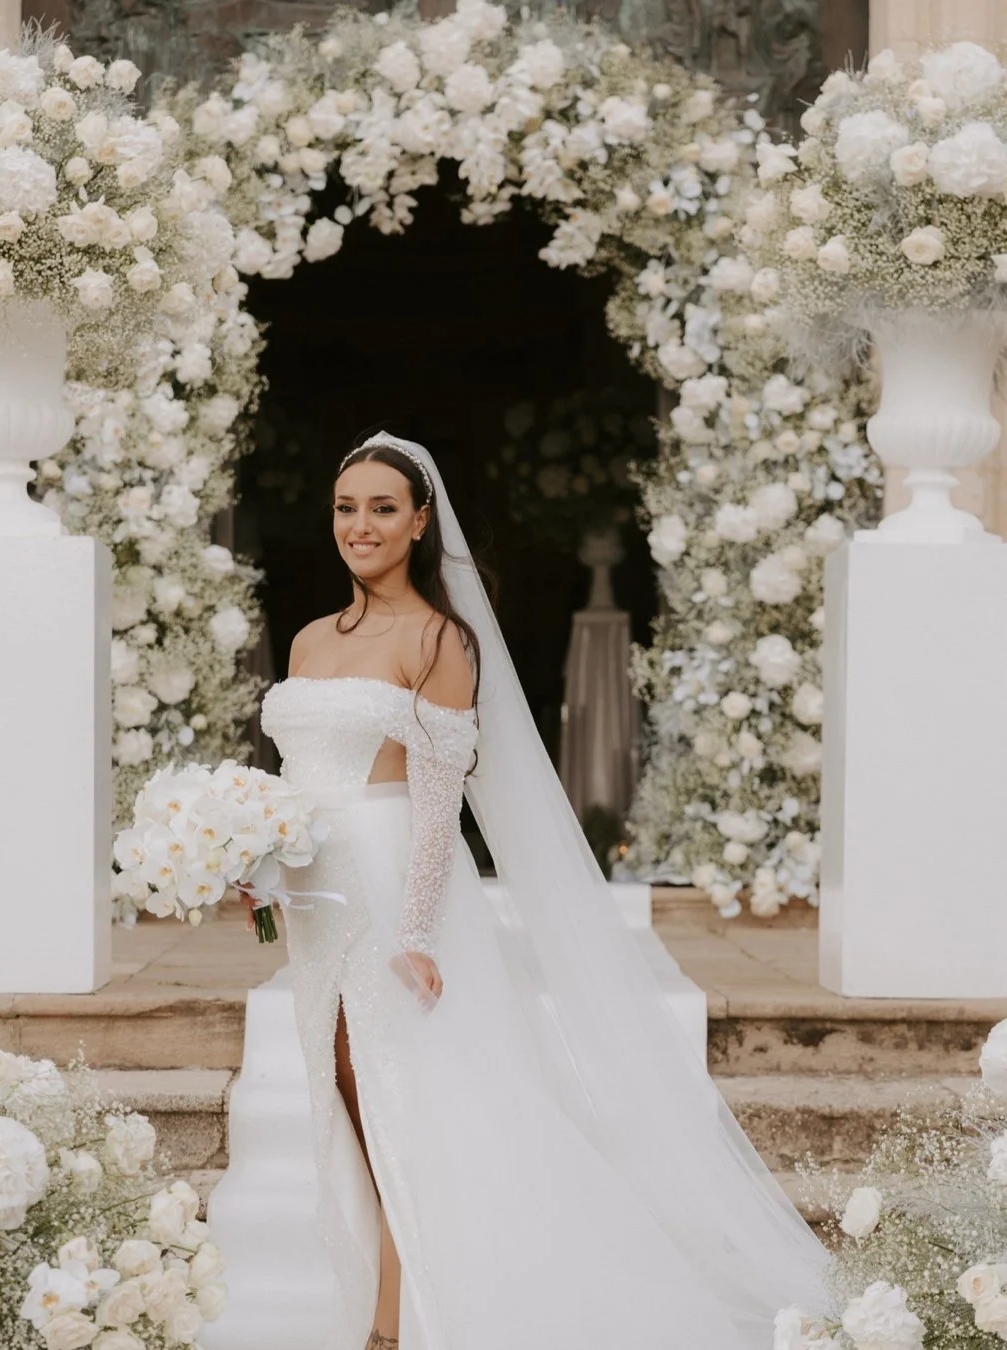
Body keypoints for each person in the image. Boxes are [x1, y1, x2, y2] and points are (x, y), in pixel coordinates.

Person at [246, 430, 827, 1350]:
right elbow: (295, 784)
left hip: (391, 890)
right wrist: (259, 863)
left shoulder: (439, 639)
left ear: (420, 521)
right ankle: (383, 1303)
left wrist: (417, 932)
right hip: (317, 901)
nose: (360, 526)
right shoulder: (313, 639)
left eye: (383, 509)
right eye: (346, 508)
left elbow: (438, 802)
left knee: (402, 1107)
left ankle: (393, 1329)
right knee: (346, 1101)